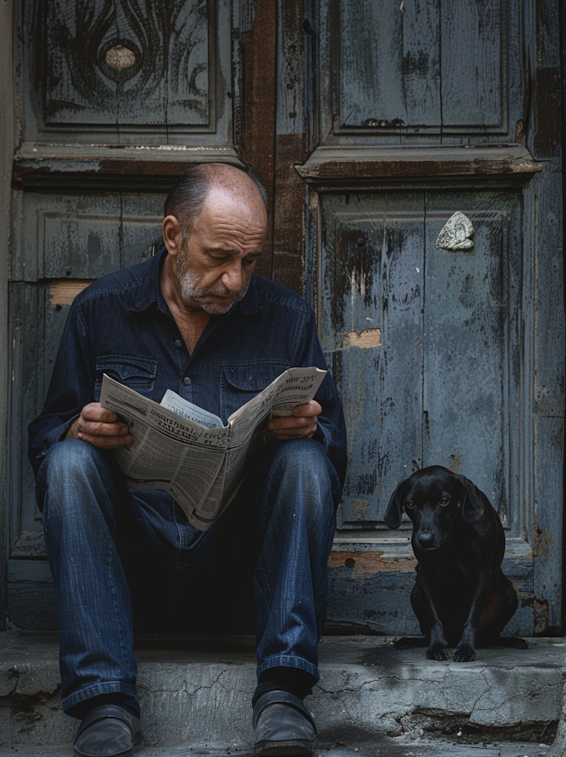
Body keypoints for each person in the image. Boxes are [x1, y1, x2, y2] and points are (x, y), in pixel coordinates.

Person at [28, 163, 347, 757]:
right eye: (220, 256)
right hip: (131, 565)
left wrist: (304, 430)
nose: (235, 280)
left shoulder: (286, 318)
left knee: (306, 461)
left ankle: (282, 691)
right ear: (173, 236)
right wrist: (76, 427)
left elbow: (333, 460)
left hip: (237, 567)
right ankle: (104, 701)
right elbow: (46, 437)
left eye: (249, 263)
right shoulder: (103, 311)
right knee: (69, 462)